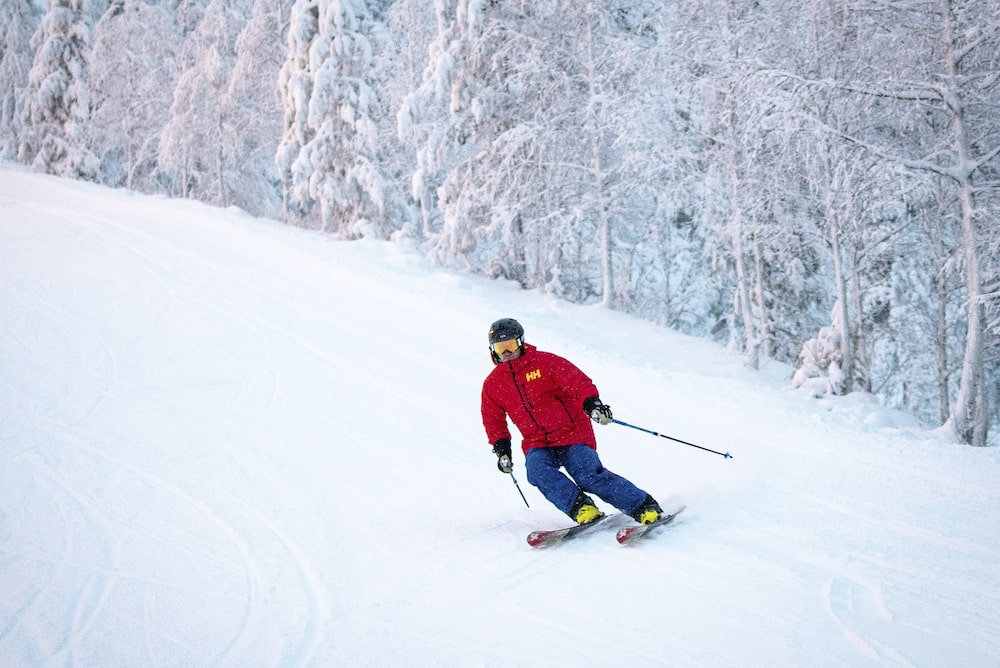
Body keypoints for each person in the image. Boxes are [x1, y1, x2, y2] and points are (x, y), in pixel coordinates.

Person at [480, 317, 664, 525]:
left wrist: (592, 404)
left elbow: (578, 383)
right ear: (492, 350)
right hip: (537, 442)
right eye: (500, 347)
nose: (506, 352)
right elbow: (493, 420)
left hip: (572, 433)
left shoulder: (546, 363)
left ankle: (644, 506)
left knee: (587, 475)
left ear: (521, 342)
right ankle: (582, 508)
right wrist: (502, 449)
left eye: (510, 345)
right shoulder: (493, 385)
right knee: (537, 471)